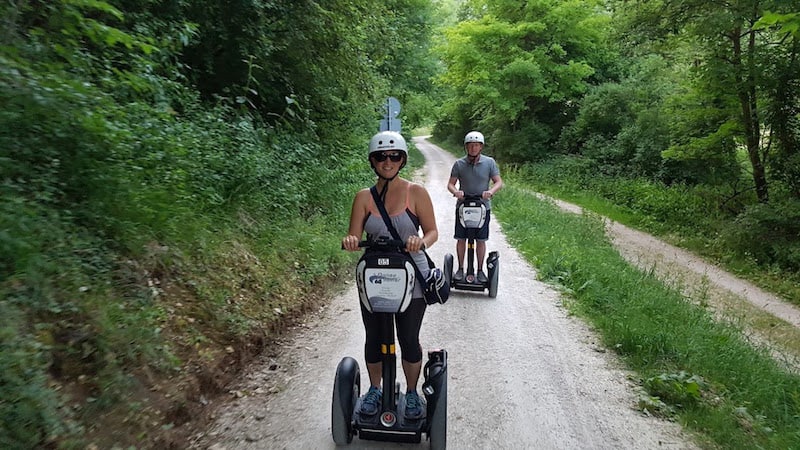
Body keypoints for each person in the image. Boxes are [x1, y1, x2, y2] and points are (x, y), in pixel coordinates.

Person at [342, 130, 439, 420]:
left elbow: (433, 231)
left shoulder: (416, 193)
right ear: (372, 161)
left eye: (394, 156)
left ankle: (410, 392)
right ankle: (374, 388)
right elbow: (354, 235)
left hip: (412, 277)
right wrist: (350, 241)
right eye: (380, 157)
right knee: (374, 337)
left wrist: (420, 241)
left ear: (402, 159)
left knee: (408, 338)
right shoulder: (363, 198)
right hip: (374, 277)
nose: (387, 161)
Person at [447, 130, 503, 283]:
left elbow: (498, 182)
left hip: (482, 207)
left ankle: (479, 270)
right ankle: (460, 269)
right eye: (470, 145)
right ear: (466, 147)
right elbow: (450, 184)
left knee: (481, 240)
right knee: (461, 239)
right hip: (463, 206)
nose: (473, 148)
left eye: (476, 145)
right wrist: (456, 192)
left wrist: (490, 192)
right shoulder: (459, 164)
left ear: (481, 147)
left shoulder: (489, 163)